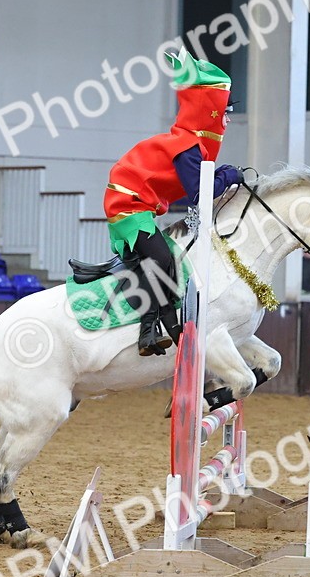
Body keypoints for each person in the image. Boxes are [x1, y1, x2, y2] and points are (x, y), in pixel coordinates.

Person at [103, 48, 243, 356]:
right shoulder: (186, 146)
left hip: (138, 205)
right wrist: (230, 174)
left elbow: (202, 182)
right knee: (164, 260)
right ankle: (156, 330)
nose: (229, 118)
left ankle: (156, 326)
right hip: (129, 206)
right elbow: (198, 192)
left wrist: (225, 174)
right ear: (211, 112)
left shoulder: (189, 145)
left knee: (166, 259)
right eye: (226, 111)